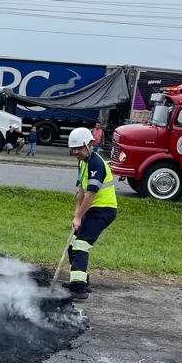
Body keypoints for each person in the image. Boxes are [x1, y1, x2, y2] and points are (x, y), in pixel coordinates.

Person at [62, 127, 117, 300]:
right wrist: (76, 213)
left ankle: (78, 290)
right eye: (73, 148)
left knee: (81, 245)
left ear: (89, 144)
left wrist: (79, 216)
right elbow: (81, 191)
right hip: (91, 209)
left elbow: (91, 194)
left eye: (78, 148)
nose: (75, 152)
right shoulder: (83, 162)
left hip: (103, 210)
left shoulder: (96, 163)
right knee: (73, 243)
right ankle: (79, 279)